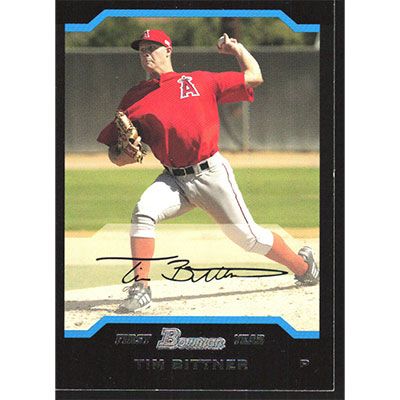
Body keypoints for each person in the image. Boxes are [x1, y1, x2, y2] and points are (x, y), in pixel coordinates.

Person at [97, 29, 319, 313]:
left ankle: (304, 266)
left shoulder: (199, 80)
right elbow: (115, 155)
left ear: (169, 51)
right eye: (142, 49)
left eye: (152, 47)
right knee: (143, 211)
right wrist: (122, 155)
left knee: (249, 239)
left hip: (211, 175)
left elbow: (254, 76)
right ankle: (141, 289)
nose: (146, 53)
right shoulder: (133, 99)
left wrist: (238, 50)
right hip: (173, 179)